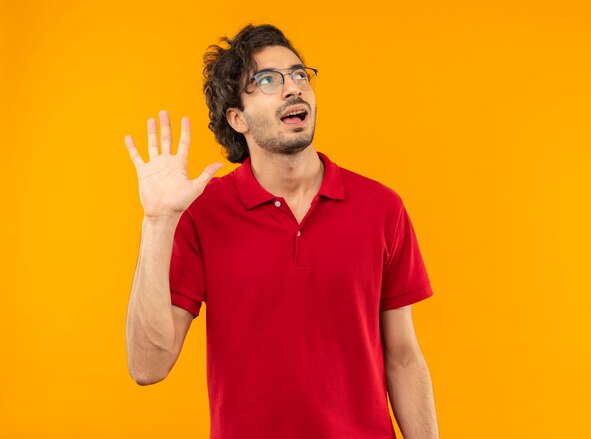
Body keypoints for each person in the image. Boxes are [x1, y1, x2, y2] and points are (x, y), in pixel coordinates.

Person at [124, 23, 439, 439]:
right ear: (237, 118)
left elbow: (402, 357)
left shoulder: (382, 208)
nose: (293, 88)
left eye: (298, 74)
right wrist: (159, 220)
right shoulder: (203, 214)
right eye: (267, 80)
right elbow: (148, 366)